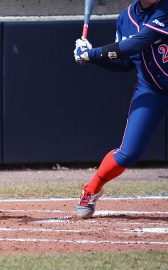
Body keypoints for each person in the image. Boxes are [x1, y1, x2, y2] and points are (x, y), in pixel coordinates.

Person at [73, 0, 167, 218]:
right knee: (128, 153)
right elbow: (125, 62)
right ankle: (91, 188)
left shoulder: (165, 8)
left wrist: (93, 53)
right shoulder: (125, 18)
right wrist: (89, 57)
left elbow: (137, 43)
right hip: (152, 90)